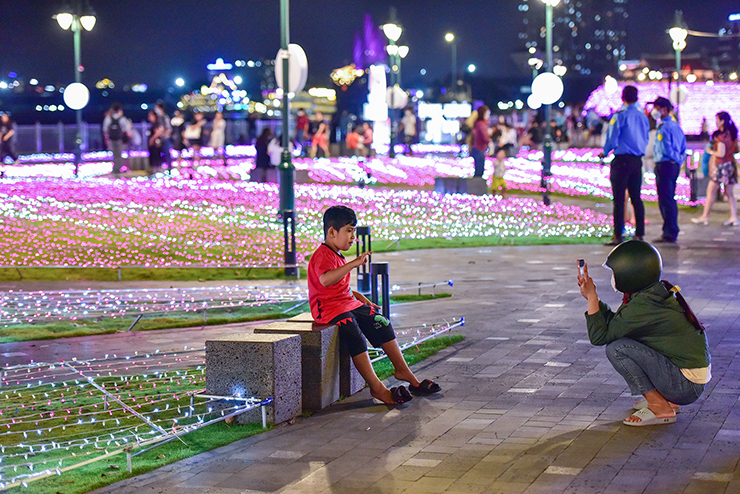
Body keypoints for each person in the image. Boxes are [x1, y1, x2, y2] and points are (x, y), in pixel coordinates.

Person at [308, 206, 441, 405]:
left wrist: (357, 295)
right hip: (327, 310)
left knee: (380, 321)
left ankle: (403, 371)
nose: (353, 236)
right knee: (351, 329)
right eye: (349, 230)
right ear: (332, 232)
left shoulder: (336, 254)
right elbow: (325, 281)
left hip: (345, 303)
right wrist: (354, 264)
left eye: (354, 230)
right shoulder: (322, 255)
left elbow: (335, 284)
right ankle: (377, 388)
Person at [577, 240, 710, 426]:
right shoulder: (651, 294)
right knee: (622, 341)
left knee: (617, 348)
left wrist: (592, 297)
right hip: (687, 381)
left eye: (615, 273)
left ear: (631, 273)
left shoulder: (645, 304)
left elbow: (600, 336)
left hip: (686, 387)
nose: (614, 278)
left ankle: (659, 406)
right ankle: (666, 399)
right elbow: (615, 325)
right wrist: (593, 298)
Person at [600, 85, 649, 245]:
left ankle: (618, 235)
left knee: (619, 199)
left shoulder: (620, 116)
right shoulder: (643, 117)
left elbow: (613, 138)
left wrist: (605, 152)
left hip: (621, 160)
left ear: (623, 98)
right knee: (636, 197)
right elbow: (645, 138)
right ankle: (639, 233)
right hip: (637, 160)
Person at [692, 111, 740, 226]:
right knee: (729, 193)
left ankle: (705, 216)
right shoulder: (732, 135)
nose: (716, 123)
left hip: (721, 167)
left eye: (717, 120)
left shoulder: (721, 137)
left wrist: (710, 151)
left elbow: (721, 153)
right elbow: (736, 150)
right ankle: (734, 217)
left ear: (722, 121)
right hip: (730, 165)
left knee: (711, 191)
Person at [650, 97, 686, 243]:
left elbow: (667, 148)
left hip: (665, 165)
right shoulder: (676, 126)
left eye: (657, 108)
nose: (655, 112)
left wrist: (674, 158)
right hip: (673, 166)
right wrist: (679, 160)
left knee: (666, 200)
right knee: (669, 197)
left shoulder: (664, 127)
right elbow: (683, 146)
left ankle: (669, 231)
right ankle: (671, 229)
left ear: (664, 109)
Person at [102, 103, 131, 175]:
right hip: (119, 139)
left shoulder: (108, 118)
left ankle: (115, 169)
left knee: (114, 154)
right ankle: (118, 168)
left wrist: (106, 139)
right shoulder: (122, 119)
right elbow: (126, 130)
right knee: (119, 154)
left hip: (111, 139)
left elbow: (105, 130)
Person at [471, 105, 491, 178]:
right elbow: (485, 137)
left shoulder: (478, 123)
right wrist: (490, 139)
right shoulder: (481, 124)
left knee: (478, 170)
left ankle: (476, 187)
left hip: (477, 149)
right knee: (479, 172)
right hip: (479, 149)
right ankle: (477, 188)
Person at [154, 102, 173, 171]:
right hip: (159, 139)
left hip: (165, 139)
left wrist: (161, 133)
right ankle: (161, 168)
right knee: (159, 154)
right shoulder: (158, 118)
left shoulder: (165, 117)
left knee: (167, 153)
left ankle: (169, 168)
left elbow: (169, 129)